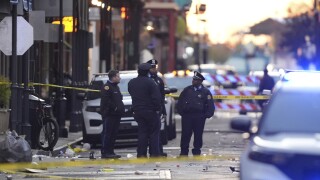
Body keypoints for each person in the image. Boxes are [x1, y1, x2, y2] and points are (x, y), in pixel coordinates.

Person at [177, 71, 215, 156]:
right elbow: (180, 102)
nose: (194, 81)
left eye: (196, 80)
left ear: (200, 81)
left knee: (198, 135)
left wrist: (207, 115)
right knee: (185, 134)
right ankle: (184, 152)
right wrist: (182, 113)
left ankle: (197, 151)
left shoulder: (205, 92)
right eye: (193, 79)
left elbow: (210, 104)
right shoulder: (187, 90)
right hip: (187, 116)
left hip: (199, 116)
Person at [128, 63, 162, 158]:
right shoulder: (151, 82)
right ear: (147, 72)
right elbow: (156, 98)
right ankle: (154, 153)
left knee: (142, 132)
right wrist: (158, 109)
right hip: (150, 111)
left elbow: (132, 94)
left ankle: (141, 153)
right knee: (154, 133)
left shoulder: (132, 82)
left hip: (138, 111)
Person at [100, 70, 124, 159]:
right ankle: (105, 152)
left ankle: (111, 151)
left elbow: (118, 99)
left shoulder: (115, 87)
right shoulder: (107, 87)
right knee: (108, 133)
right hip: (110, 114)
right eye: (118, 76)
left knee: (113, 133)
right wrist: (115, 108)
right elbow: (106, 101)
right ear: (113, 77)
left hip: (116, 114)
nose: (119, 78)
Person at [147, 59, 167, 157]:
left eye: (155, 67)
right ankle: (153, 151)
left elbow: (162, 96)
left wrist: (163, 109)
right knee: (150, 131)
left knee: (157, 130)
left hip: (157, 109)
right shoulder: (146, 79)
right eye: (152, 67)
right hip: (149, 109)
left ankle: (158, 150)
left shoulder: (159, 80)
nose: (154, 69)